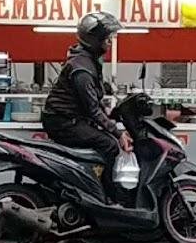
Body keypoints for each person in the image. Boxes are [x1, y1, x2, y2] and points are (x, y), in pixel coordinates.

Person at [42, 12, 133, 202]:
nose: (110, 42)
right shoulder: (82, 68)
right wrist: (118, 133)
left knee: (107, 139)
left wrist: (111, 117)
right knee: (109, 145)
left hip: (69, 119)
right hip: (63, 123)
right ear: (95, 40)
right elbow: (92, 109)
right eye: (107, 38)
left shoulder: (87, 61)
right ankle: (106, 197)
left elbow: (94, 101)